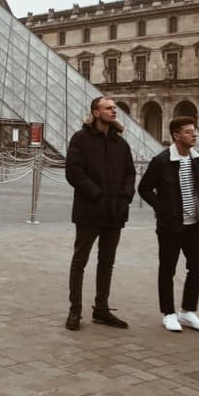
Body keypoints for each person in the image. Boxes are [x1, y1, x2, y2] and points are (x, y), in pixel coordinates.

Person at [65, 97, 135, 330]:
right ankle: (75, 310)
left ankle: (101, 310)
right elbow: (73, 172)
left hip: (115, 212)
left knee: (107, 262)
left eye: (114, 108)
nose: (114, 111)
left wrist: (125, 197)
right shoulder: (80, 139)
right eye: (108, 108)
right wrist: (97, 195)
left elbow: (130, 174)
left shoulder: (121, 144)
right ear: (95, 112)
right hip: (89, 211)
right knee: (80, 261)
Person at [138, 116, 199, 332]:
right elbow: (144, 188)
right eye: (189, 131)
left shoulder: (198, 158)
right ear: (176, 136)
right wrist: (163, 209)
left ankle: (188, 311)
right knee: (167, 269)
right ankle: (169, 313)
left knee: (198, 267)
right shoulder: (161, 161)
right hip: (171, 226)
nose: (194, 134)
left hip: (194, 225)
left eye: (194, 130)